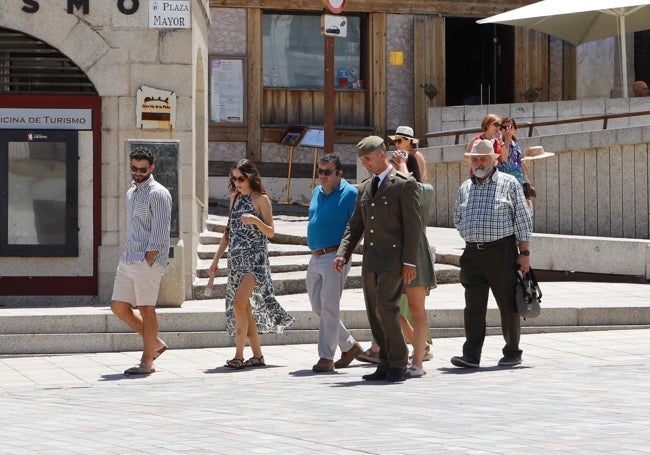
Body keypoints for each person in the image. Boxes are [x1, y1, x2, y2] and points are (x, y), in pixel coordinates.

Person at [334, 136, 421, 382]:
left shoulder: (404, 184)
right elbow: (355, 226)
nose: (365, 164)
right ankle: (384, 361)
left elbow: (413, 227)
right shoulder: (364, 187)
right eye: (362, 160)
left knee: (387, 308)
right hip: (372, 260)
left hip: (394, 260)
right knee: (374, 313)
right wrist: (343, 253)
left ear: (382, 155)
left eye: (368, 159)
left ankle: (398, 361)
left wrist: (409, 262)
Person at [451, 139, 533, 369]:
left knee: (508, 305)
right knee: (473, 307)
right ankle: (471, 355)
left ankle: (512, 351)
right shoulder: (465, 187)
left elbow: (524, 221)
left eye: (483, 158)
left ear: (493, 160)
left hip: (502, 253)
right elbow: (457, 218)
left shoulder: (509, 184)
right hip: (472, 254)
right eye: (475, 159)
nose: (479, 163)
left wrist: (524, 253)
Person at [209, 159, 295, 369]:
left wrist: (256, 221)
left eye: (241, 178)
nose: (237, 182)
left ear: (250, 177)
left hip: (255, 261)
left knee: (238, 305)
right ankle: (257, 356)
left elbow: (272, 232)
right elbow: (228, 233)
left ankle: (238, 356)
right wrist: (216, 259)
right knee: (245, 310)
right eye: (234, 178)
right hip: (236, 261)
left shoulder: (261, 199)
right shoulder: (235, 198)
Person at [110, 146, 172, 376]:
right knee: (118, 307)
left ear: (152, 168)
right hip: (128, 257)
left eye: (142, 169)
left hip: (147, 260)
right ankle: (154, 343)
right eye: (134, 168)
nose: (138, 172)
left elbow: (161, 228)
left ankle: (147, 362)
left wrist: (150, 257)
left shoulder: (159, 193)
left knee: (147, 309)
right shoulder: (131, 192)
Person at [306, 154, 363, 372]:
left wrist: (345, 253)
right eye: (320, 171)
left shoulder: (350, 194)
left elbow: (359, 227)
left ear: (339, 173)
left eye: (327, 172)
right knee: (317, 305)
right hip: (315, 255)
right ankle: (349, 347)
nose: (322, 176)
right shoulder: (316, 192)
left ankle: (326, 358)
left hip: (335, 256)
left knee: (329, 306)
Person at [389, 151, 436, 377]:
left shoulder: (424, 189)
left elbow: (412, 193)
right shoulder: (393, 187)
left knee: (417, 309)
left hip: (415, 252)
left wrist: (402, 167)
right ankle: (420, 346)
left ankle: (417, 362)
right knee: (387, 307)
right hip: (394, 252)